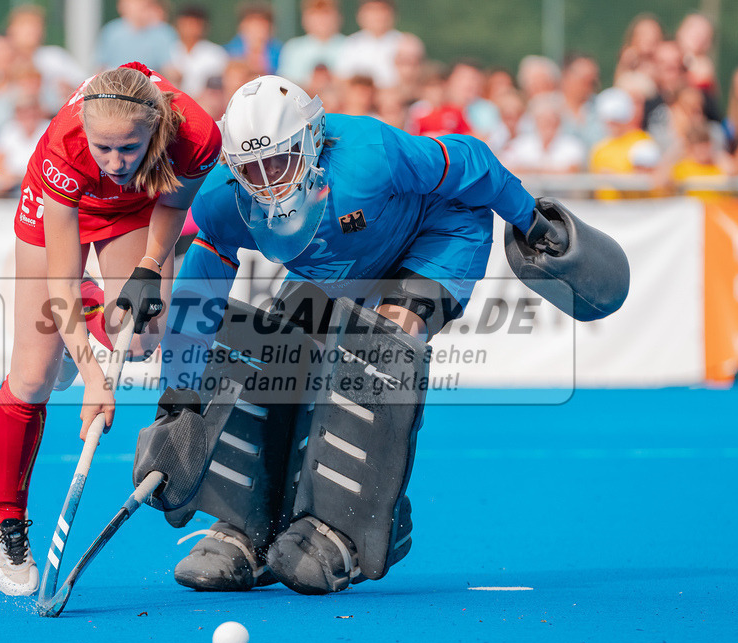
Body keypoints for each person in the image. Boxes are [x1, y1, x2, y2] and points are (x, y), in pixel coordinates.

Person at [148, 75, 611, 596]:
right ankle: (248, 528)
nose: (267, 182)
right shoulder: (222, 199)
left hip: (439, 236)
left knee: (378, 349)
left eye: (278, 161)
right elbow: (199, 297)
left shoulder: (372, 153)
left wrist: (530, 220)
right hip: (337, 263)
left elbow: (472, 161)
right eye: (251, 169)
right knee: (276, 352)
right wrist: (177, 396)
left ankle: (350, 526)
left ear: (312, 143)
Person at [0, 63, 221, 597]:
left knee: (141, 338)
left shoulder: (197, 136)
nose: (114, 162)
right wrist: (94, 376)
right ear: (86, 134)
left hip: (137, 205)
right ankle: (6, 516)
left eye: (128, 149)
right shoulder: (65, 149)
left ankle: (89, 328)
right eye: (103, 149)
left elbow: (174, 204)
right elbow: (61, 279)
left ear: (154, 132)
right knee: (33, 374)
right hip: (61, 211)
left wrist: (150, 264)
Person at [276, 0, 346, 86]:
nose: (321, 20)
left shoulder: (350, 46)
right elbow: (285, 86)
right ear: (305, 18)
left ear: (338, 17)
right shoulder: (293, 48)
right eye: (315, 14)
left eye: (326, 14)